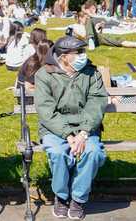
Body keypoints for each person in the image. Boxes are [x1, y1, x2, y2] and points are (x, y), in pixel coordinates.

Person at [35, 36, 108, 220]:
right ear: (64, 56)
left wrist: (83, 133)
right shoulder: (45, 74)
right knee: (59, 153)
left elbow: (97, 103)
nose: (84, 55)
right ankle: (61, 196)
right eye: (79, 52)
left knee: (93, 152)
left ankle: (78, 198)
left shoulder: (92, 73)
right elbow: (46, 110)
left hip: (86, 127)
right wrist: (68, 134)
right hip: (54, 128)